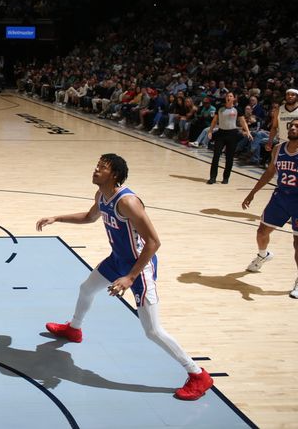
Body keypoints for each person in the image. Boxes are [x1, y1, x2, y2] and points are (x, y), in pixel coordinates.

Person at [36, 154, 214, 401]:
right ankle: (74, 329)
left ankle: (198, 375)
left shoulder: (128, 202)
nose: (96, 170)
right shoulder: (101, 196)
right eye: (96, 165)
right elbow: (89, 217)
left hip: (140, 268)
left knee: (152, 330)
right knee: (87, 289)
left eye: (102, 167)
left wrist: (130, 277)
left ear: (115, 175)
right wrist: (57, 218)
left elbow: (154, 242)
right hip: (117, 259)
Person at [242, 118, 298, 299]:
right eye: (292, 125)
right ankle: (263, 255)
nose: (293, 128)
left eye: (297, 126)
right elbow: (269, 173)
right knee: (261, 232)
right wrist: (252, 193)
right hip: (280, 197)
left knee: (297, 244)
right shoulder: (278, 149)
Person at [207, 92, 252, 184]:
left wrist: (247, 131)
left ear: (234, 98)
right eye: (227, 96)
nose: (228, 97)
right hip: (221, 133)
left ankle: (226, 178)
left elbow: (242, 121)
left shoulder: (237, 109)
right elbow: (215, 120)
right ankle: (212, 177)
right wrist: (210, 131)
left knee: (229, 157)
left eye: (231, 96)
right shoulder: (220, 108)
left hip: (232, 134)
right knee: (216, 156)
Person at [266, 88, 298, 153]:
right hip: (283, 142)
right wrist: (270, 141)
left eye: (293, 95)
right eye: (288, 94)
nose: (290, 96)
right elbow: (274, 127)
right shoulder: (279, 110)